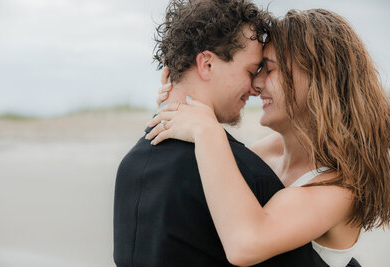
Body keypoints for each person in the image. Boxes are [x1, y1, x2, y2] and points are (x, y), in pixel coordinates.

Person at [148, 8, 390, 267]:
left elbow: (245, 244)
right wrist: (177, 99)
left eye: (270, 70)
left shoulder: (339, 188)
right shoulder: (262, 153)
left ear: (318, 78)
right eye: (256, 71)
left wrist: (209, 131)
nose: (256, 85)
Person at [114, 1, 328, 266]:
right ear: (207, 64)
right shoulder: (248, 175)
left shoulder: (129, 167)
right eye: (251, 71)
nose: (255, 88)